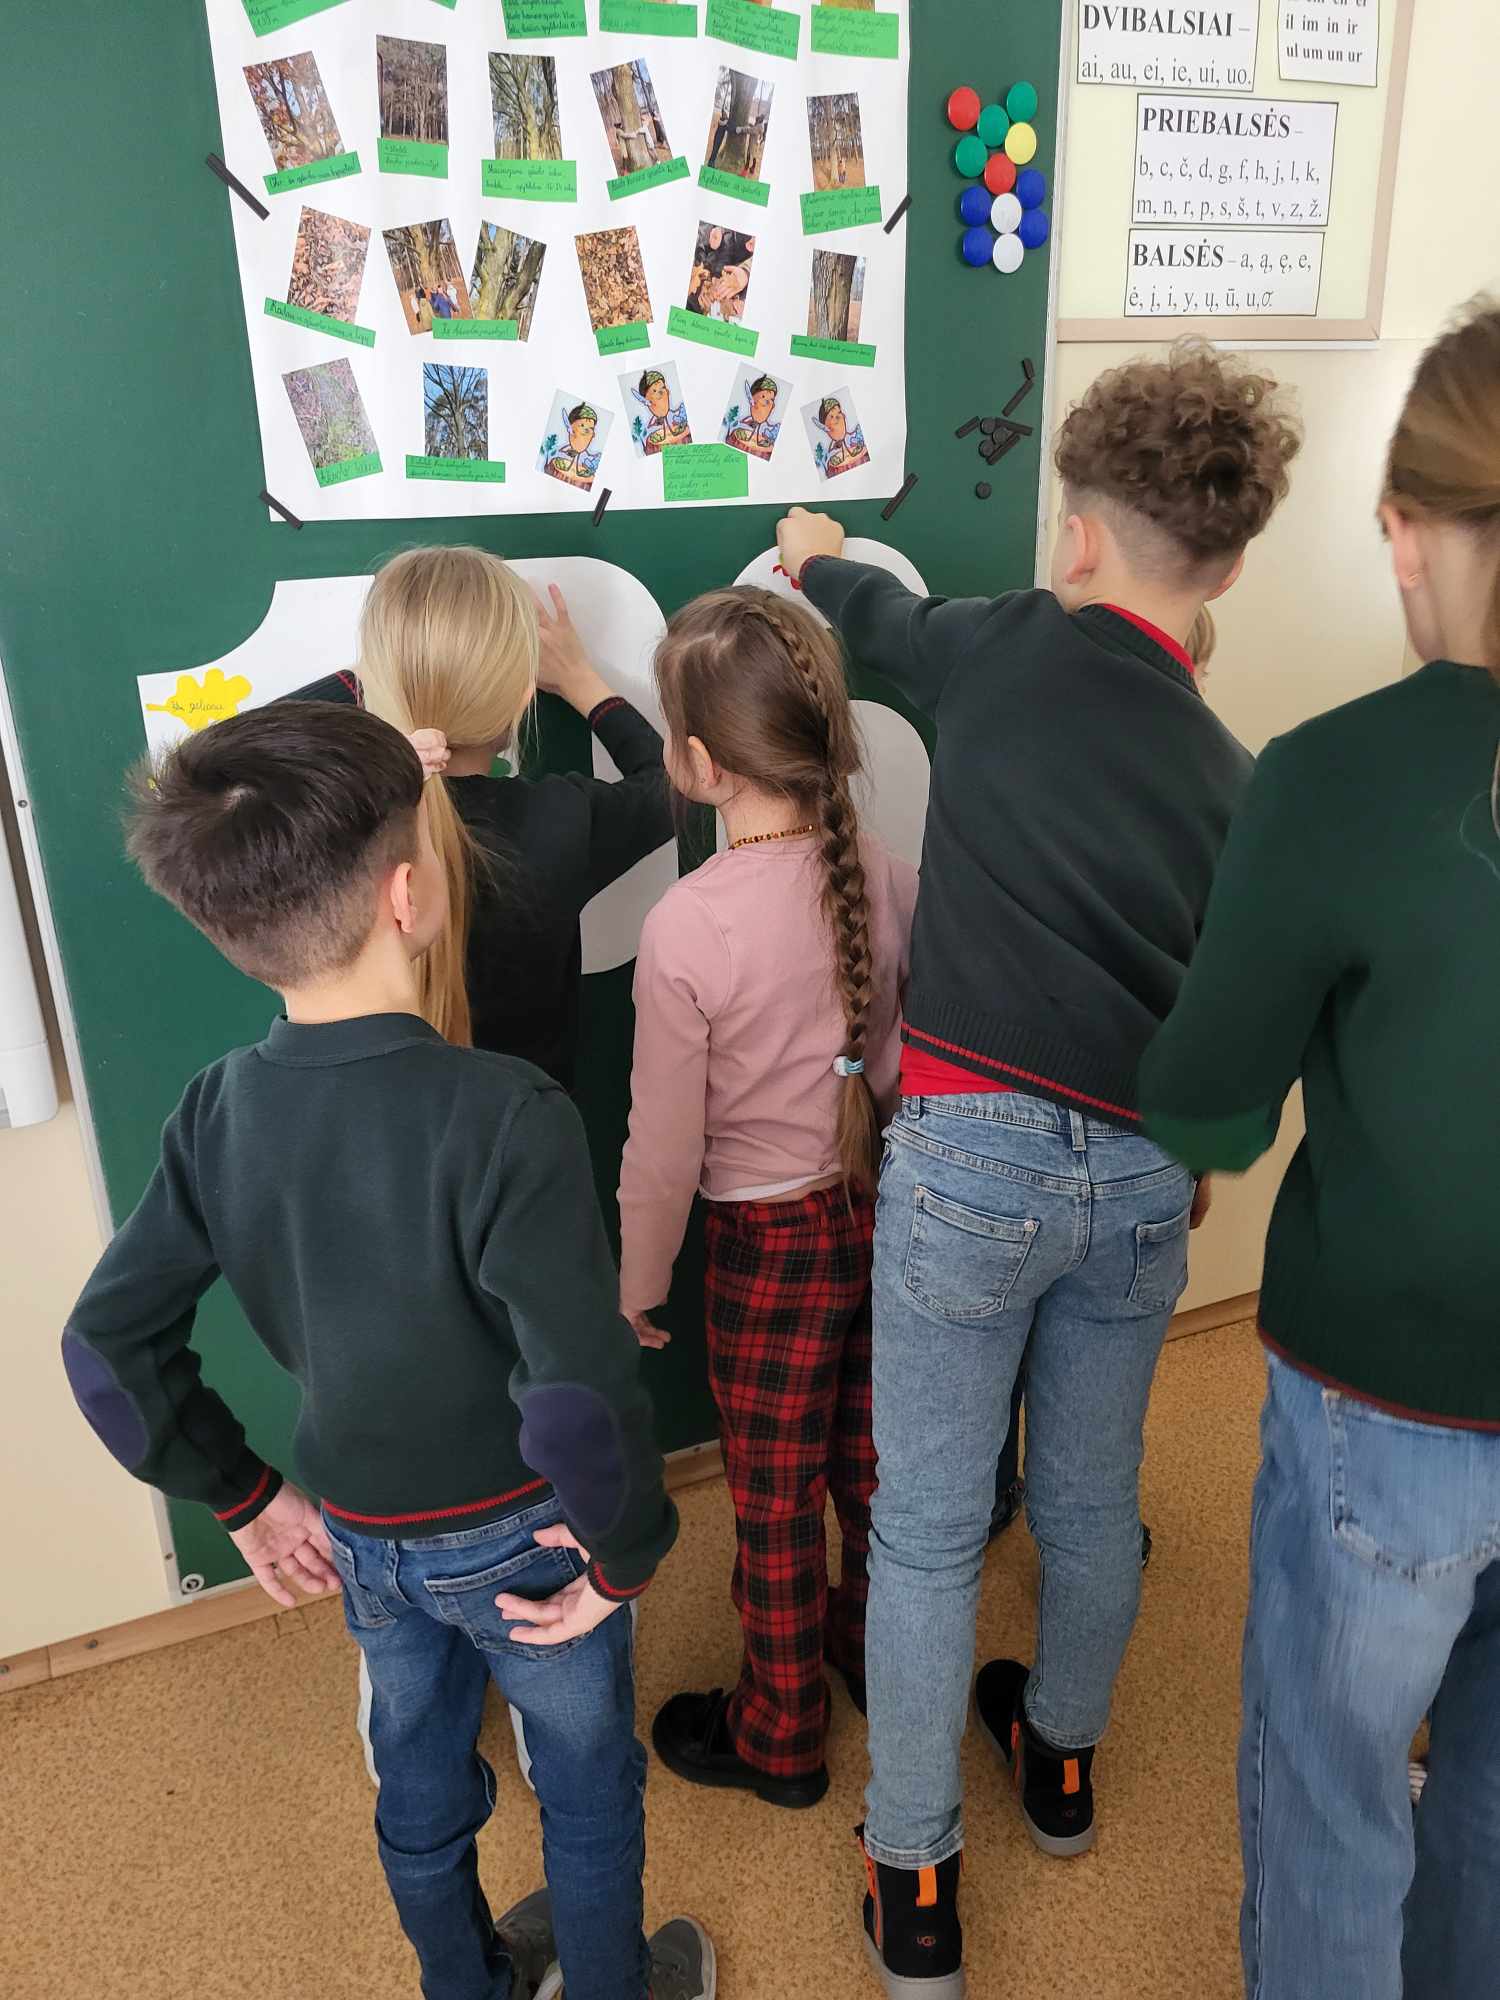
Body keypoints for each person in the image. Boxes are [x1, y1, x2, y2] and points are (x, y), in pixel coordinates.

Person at [776, 338, 1301, 1998]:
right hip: (1141, 1181)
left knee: (930, 1534)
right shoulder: (1240, 783)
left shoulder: (1001, 645)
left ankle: (916, 1876)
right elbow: (1228, 1029)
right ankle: (1062, 1764)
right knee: (1088, 1503)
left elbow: (865, 613)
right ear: (1226, 570)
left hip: (967, 1163)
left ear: (1072, 537)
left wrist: (812, 550)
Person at [59, 702, 714, 2000]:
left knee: (418, 1787)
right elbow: (576, 1399)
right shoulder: (507, 1112)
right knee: (586, 1789)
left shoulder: (215, 1108)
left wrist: (243, 1496)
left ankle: (464, 1984)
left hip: (361, 1532)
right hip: (527, 1539)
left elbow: (104, 1349)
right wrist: (628, 1551)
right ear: (411, 894)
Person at [1141, 302, 1500, 2000]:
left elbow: (1209, 1102)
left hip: (1395, 1400)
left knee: (1335, 1794)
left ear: (1407, 528)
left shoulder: (1338, 776)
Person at [617, 587, 916, 1810]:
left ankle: (782, 1731)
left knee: (776, 1497)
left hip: (767, 1244)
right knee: (873, 1466)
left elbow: (663, 1144)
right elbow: (897, 1062)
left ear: (697, 763)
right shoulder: (881, 873)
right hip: (882, 1206)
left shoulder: (688, 923)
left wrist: (637, 1282)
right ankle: (871, 1651)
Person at [289, 545, 672, 1087]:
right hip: (529, 1125)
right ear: (522, 700)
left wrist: (371, 678)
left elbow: (209, 769)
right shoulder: (559, 820)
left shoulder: (330, 826)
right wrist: (580, 680)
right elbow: (670, 784)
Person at [544, 402, 604, 490]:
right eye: (582, 425)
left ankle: (576, 469)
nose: (587, 430)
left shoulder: (589, 437)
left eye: (591, 428)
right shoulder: (572, 435)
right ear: (571, 427)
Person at [633, 369, 692, 455]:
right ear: (647, 398)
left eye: (662, 387)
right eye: (654, 391)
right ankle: (664, 434)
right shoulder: (650, 403)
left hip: (670, 418)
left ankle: (672, 432)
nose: (660, 391)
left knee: (667, 420)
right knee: (664, 421)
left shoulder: (665, 394)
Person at [724, 374, 782, 461]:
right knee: (755, 427)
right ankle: (750, 438)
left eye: (772, 399)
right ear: (753, 397)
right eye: (763, 396)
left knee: (758, 427)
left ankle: (757, 441)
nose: (769, 401)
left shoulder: (770, 405)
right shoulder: (755, 405)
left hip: (760, 427)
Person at [814, 397, 870, 479]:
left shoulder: (841, 419)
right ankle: (843, 456)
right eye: (831, 416)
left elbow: (845, 433)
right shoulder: (830, 429)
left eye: (839, 412)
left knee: (846, 446)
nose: (837, 417)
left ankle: (850, 454)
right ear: (825, 425)